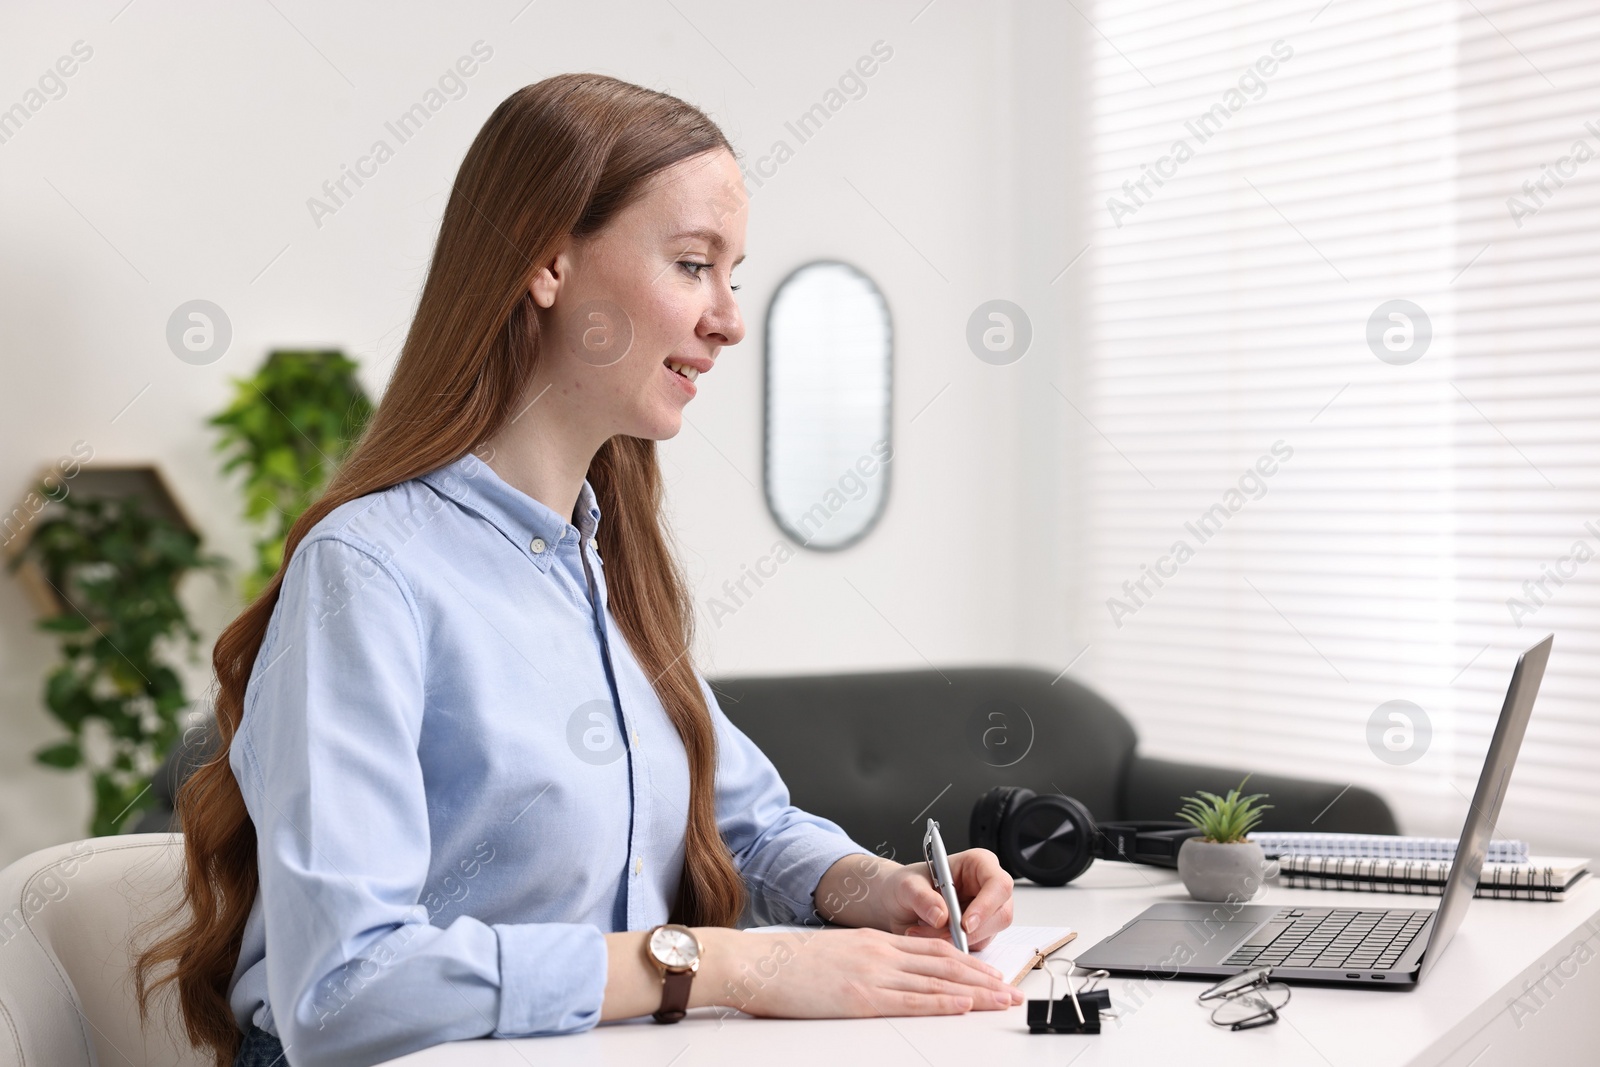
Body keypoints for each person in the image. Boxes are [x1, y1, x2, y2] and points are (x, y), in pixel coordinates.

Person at [137, 73, 1021, 1067]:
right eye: (693, 264)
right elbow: (346, 987)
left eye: (733, 274)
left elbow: (748, 820)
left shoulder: (606, 566)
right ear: (546, 261)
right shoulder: (368, 571)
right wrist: (725, 964)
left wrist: (870, 884)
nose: (728, 319)